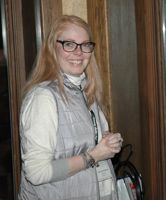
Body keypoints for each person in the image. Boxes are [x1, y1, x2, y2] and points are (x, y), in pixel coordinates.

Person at [18, 15, 123, 200]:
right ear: (52, 49)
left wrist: (107, 142)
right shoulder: (43, 98)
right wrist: (94, 155)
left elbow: (81, 143)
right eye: (69, 44)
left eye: (85, 45)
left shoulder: (86, 90)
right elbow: (36, 172)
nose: (79, 52)